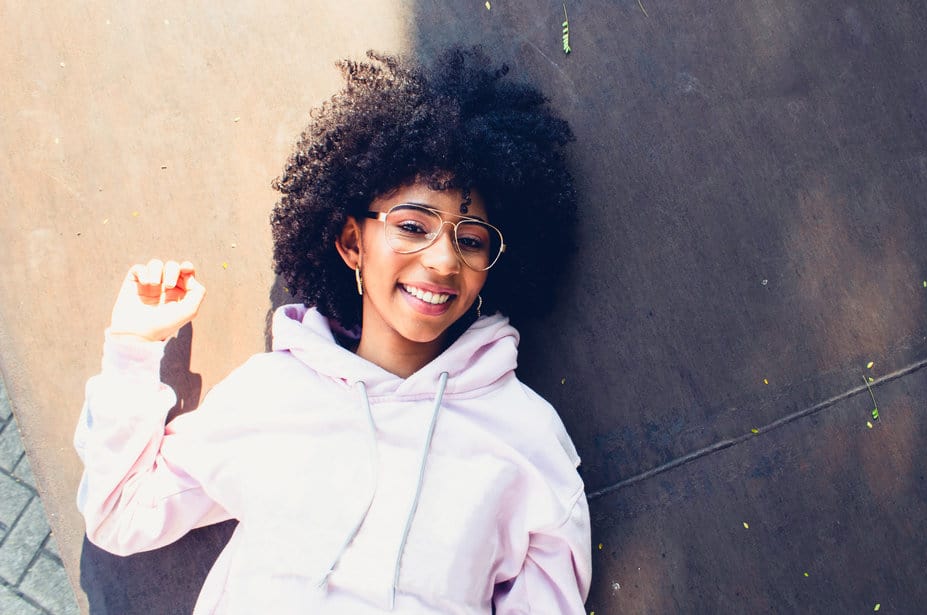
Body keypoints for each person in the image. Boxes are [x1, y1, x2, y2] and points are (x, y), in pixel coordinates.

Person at [75, 46, 591, 614]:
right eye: (414, 226)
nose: (444, 261)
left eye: (469, 240)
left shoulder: (528, 440)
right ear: (352, 244)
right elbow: (121, 512)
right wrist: (133, 348)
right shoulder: (271, 394)